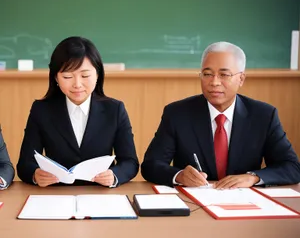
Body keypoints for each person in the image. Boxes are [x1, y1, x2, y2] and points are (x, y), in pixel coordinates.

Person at [141, 41, 300, 189]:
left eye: (224, 75)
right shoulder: (177, 113)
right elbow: (151, 165)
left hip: (245, 205)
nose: (214, 82)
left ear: (241, 79)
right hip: (195, 203)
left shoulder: (263, 115)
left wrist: (253, 178)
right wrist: (179, 176)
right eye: (207, 74)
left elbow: (292, 167)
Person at [17, 36, 139, 187]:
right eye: (67, 76)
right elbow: (25, 164)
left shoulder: (115, 109)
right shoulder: (41, 110)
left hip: (102, 194)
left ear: (97, 74)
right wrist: (35, 175)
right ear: (56, 77)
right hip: (54, 195)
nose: (77, 84)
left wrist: (114, 175)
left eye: (85, 75)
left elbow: (130, 162)